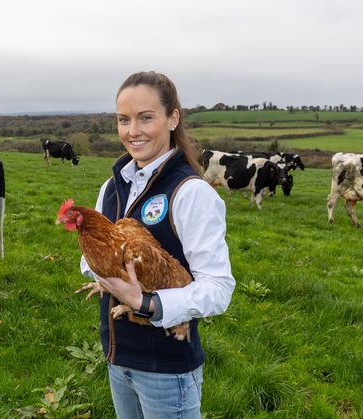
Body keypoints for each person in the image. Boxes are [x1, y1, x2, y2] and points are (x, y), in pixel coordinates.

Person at [77, 71, 235, 418]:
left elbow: (219, 289)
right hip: (118, 357)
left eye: (145, 117)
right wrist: (101, 269)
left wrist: (146, 302)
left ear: (172, 118)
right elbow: (89, 260)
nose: (133, 131)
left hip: (166, 369)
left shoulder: (190, 192)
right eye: (124, 120)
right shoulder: (111, 188)